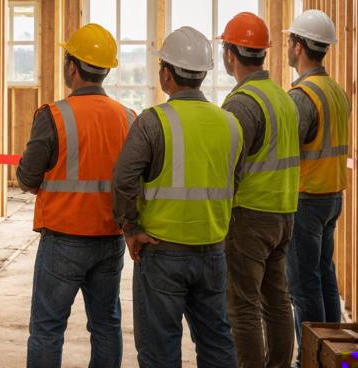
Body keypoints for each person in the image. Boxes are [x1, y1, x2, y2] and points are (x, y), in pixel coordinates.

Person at [112, 26, 244, 368]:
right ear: (202, 74)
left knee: (160, 350)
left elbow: (124, 179)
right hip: (213, 251)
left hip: (161, 251)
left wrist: (131, 228)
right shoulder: (230, 123)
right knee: (216, 342)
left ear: (167, 74)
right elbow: (236, 180)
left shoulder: (153, 122)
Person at [18, 23, 135, 368]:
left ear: (72, 68)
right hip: (110, 240)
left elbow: (27, 178)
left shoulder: (53, 115)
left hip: (63, 241)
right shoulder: (128, 117)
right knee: (106, 325)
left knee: (47, 329)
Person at [218, 12, 299, 368]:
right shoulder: (282, 96)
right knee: (277, 300)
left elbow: (228, 170)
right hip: (284, 212)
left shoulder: (241, 103)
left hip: (250, 216)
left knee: (243, 306)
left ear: (232, 54)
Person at [284, 9, 351, 367]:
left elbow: (285, 152)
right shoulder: (337, 91)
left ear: (298, 46)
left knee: (303, 285)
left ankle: (309, 358)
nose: (287, 46)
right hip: (332, 197)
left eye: (289, 40)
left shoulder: (302, 96)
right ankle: (333, 352)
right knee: (325, 275)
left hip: (307, 198)